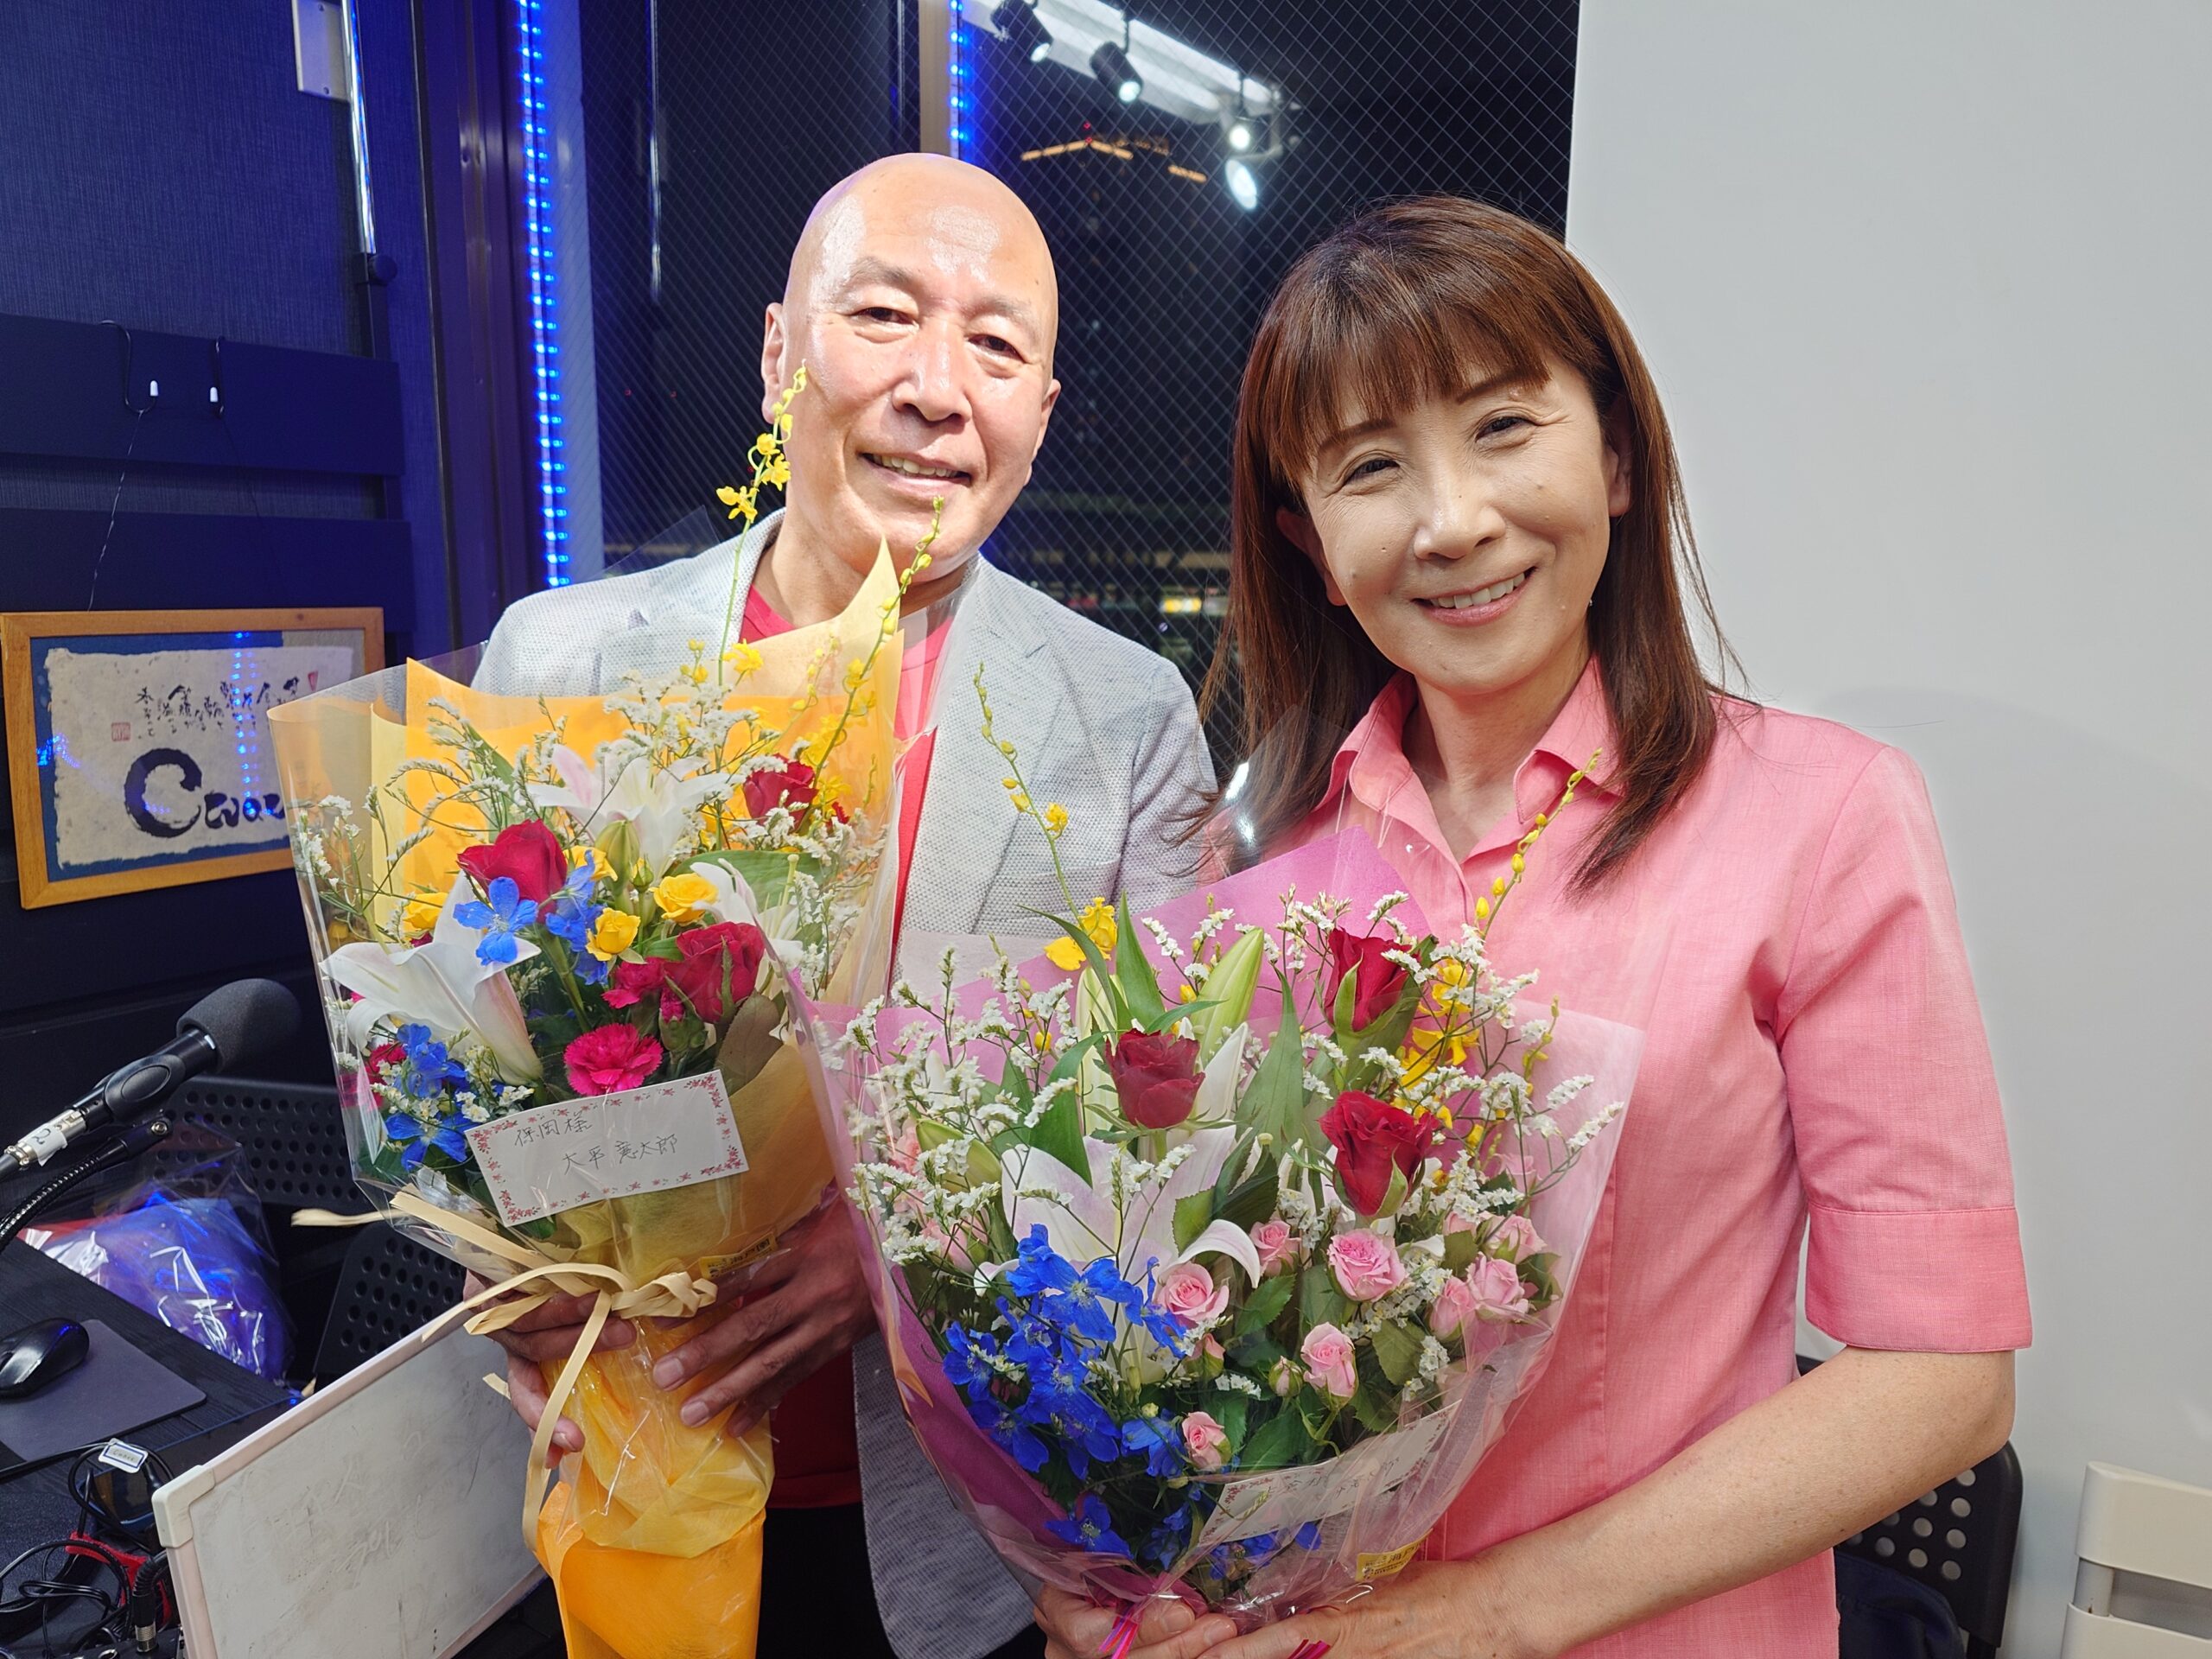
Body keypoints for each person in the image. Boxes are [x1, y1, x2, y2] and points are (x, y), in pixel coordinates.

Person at [1033, 196, 2030, 1659]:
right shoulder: (1241, 862)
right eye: (1371, 467)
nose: (1452, 521)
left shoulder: (1822, 820)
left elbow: (1942, 1376)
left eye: (1504, 427)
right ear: (1311, 541)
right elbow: (1188, 1318)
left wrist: (1494, 1612)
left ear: (1614, 457)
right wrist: (1119, 1571)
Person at [472, 152, 1213, 1659]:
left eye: (995, 346)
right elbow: (454, 1054)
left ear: (1039, 414)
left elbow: (1165, 1150)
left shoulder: (1128, 720)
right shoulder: (557, 664)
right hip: (617, 1474)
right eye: (883, 316)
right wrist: (498, 1268)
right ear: (778, 355)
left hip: (952, 1536)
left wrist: (894, 1251)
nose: (938, 390)